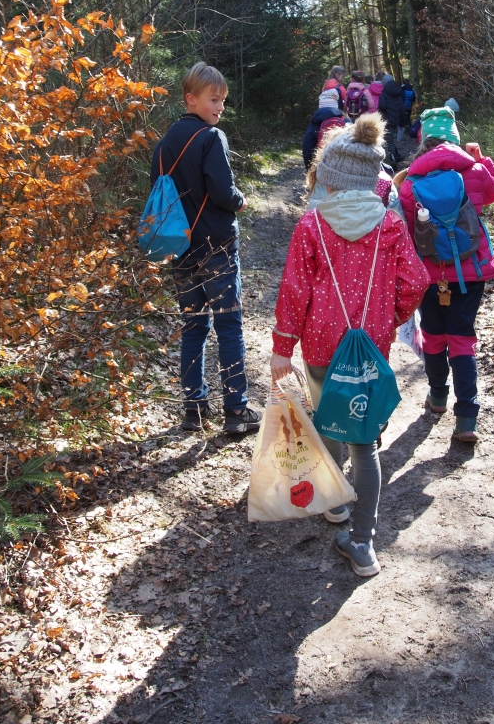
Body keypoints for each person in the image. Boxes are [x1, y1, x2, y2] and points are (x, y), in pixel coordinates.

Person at [270, 114, 429, 577]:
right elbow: (415, 282)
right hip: (370, 346)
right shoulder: (392, 227)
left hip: (321, 347)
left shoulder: (312, 228)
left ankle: (335, 504)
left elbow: (295, 292)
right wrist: (390, 317)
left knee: (327, 421)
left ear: (334, 180)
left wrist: (283, 347)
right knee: (365, 441)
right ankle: (363, 544)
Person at [150, 62, 262, 434]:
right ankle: (236, 411)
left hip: (181, 250)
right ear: (191, 99)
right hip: (216, 248)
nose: (220, 108)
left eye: (223, 101)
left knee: (193, 327)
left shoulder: (164, 144)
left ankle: (193, 410)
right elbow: (223, 193)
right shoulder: (212, 138)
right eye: (214, 99)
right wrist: (241, 201)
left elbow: (159, 195)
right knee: (229, 327)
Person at [397, 106, 494, 442]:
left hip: (429, 277)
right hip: (470, 272)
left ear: (422, 141)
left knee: (433, 337)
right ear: (455, 138)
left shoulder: (410, 182)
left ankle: (438, 397)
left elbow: (407, 229)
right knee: (462, 338)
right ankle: (467, 418)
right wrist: (482, 159)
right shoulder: (473, 170)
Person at [302, 89, 348, 169]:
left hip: (322, 166)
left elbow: (307, 148)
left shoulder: (315, 122)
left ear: (320, 105)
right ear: (336, 105)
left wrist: (310, 168)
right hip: (342, 167)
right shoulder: (345, 121)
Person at [378, 75, 405, 166]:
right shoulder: (398, 92)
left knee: (388, 140)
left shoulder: (384, 93)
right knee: (391, 139)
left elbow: (382, 106)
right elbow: (402, 108)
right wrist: (402, 121)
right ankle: (395, 155)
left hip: (386, 120)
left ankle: (392, 159)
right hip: (396, 120)